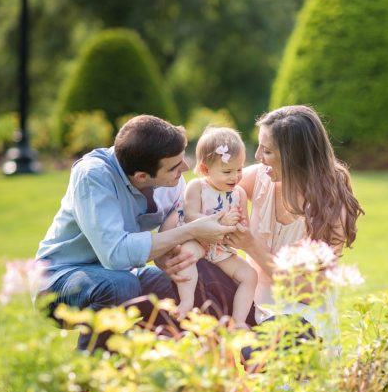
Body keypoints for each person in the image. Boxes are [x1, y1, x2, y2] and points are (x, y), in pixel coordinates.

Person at [35, 114, 247, 347]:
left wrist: (171, 261)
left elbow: (169, 240)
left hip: (125, 274)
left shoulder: (171, 181)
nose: (185, 168)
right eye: (175, 167)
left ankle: (170, 369)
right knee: (120, 285)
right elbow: (115, 255)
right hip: (60, 281)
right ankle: (90, 377)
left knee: (189, 283)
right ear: (142, 177)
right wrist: (192, 230)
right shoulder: (93, 176)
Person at [226, 105, 363, 342]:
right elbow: (210, 188)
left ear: (294, 157)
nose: (258, 156)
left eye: (267, 151)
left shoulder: (330, 208)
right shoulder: (260, 178)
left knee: (271, 353)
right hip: (251, 302)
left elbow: (310, 293)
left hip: (301, 317)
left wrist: (251, 247)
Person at [164, 126, 257, 328]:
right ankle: (186, 301)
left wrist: (239, 225)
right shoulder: (197, 187)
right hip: (197, 240)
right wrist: (220, 221)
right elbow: (190, 216)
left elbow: (245, 225)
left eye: (239, 169)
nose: (235, 177)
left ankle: (239, 320)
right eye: (227, 171)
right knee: (186, 256)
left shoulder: (239, 193)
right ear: (206, 169)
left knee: (250, 275)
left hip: (221, 248)